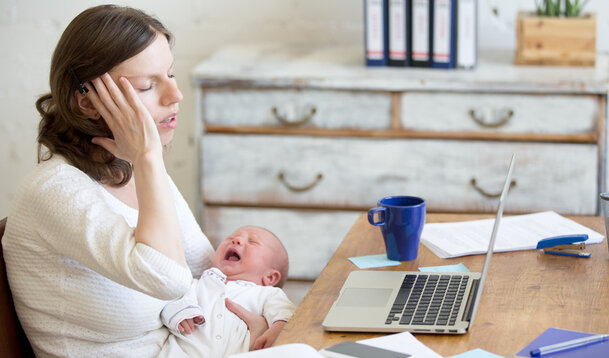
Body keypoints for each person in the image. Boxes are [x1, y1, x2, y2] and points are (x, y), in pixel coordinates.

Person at [2, 5, 273, 357]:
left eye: (171, 75)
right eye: (148, 85)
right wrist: (148, 158)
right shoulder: (54, 190)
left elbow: (207, 272)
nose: (175, 96)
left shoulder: (130, 169)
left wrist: (264, 320)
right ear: (88, 102)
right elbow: (170, 280)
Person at [161, 226, 296, 358]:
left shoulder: (267, 294)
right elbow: (168, 301)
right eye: (231, 237)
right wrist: (178, 314)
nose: (236, 240)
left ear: (270, 277)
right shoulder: (198, 283)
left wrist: (278, 328)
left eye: (252, 242)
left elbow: (286, 313)